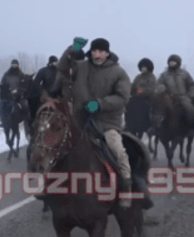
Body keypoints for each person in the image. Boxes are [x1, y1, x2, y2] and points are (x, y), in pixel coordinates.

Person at [56, 37, 135, 208]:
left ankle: (126, 188)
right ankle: (50, 183)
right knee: (55, 144)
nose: (97, 55)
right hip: (79, 120)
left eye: (101, 51)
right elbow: (62, 67)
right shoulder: (81, 66)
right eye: (94, 51)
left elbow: (122, 97)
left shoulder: (118, 72)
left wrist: (100, 103)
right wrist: (73, 49)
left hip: (106, 123)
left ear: (107, 53)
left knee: (118, 150)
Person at [157, 54, 194, 127]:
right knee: (159, 110)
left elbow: (191, 85)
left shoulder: (184, 73)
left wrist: (193, 94)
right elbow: (159, 83)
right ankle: (157, 126)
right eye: (170, 61)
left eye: (174, 61)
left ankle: (191, 127)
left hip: (183, 97)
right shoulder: (164, 74)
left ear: (178, 63)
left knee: (191, 110)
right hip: (169, 97)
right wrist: (161, 87)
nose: (172, 63)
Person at [0, 59, 29, 127]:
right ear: (11, 65)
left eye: (15, 65)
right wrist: (7, 90)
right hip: (8, 95)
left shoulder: (21, 74)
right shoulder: (6, 74)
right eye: (13, 65)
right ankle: (3, 120)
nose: (14, 66)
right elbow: (2, 84)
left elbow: (24, 84)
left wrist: (19, 90)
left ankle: (26, 120)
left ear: (18, 65)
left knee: (25, 105)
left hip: (18, 95)